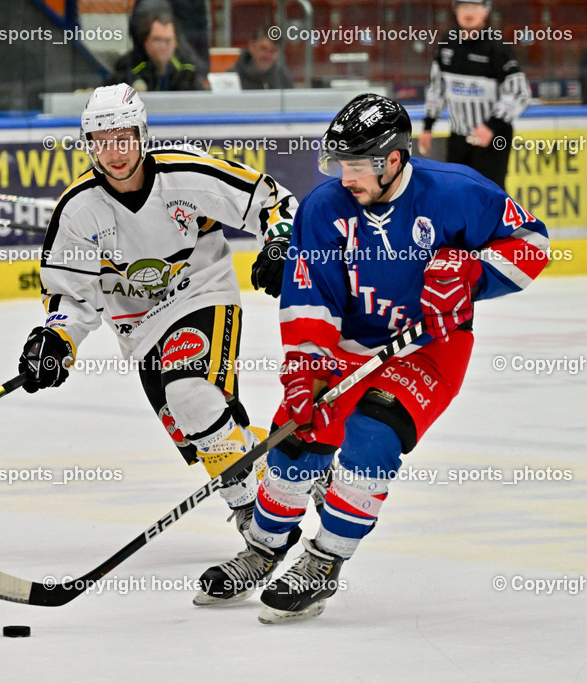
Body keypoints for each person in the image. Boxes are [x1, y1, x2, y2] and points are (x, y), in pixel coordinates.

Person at [194, 93, 549, 622]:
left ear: (393, 160)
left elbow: (533, 243)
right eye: (340, 163)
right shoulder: (323, 208)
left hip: (428, 347)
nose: (345, 176)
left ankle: (324, 561)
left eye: (356, 164)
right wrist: (306, 371)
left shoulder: (457, 192)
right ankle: (263, 548)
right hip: (348, 343)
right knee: (298, 436)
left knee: (373, 435)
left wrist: (473, 274)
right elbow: (311, 297)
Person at [18, 84, 297, 550]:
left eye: (123, 138)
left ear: (142, 135)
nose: (114, 153)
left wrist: (281, 241)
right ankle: (294, 466)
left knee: (190, 395)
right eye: (102, 141)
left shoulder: (184, 174)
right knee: (200, 425)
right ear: (89, 145)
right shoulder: (79, 209)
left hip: (200, 292)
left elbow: (269, 200)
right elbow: (70, 296)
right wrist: (56, 339)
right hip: (140, 329)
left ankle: (252, 510)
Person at [418, 0, 530, 190]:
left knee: (489, 194)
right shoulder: (447, 43)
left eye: (475, 7)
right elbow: (437, 88)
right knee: (456, 192)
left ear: (485, 12)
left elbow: (520, 92)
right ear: (456, 10)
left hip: (493, 138)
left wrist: (490, 126)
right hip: (458, 137)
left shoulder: (497, 47)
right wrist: (428, 126)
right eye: (464, 6)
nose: (468, 12)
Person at [109, 11, 203, 92]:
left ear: (175, 43)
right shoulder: (128, 68)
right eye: (157, 40)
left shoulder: (187, 70)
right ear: (145, 41)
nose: (163, 46)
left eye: (168, 41)